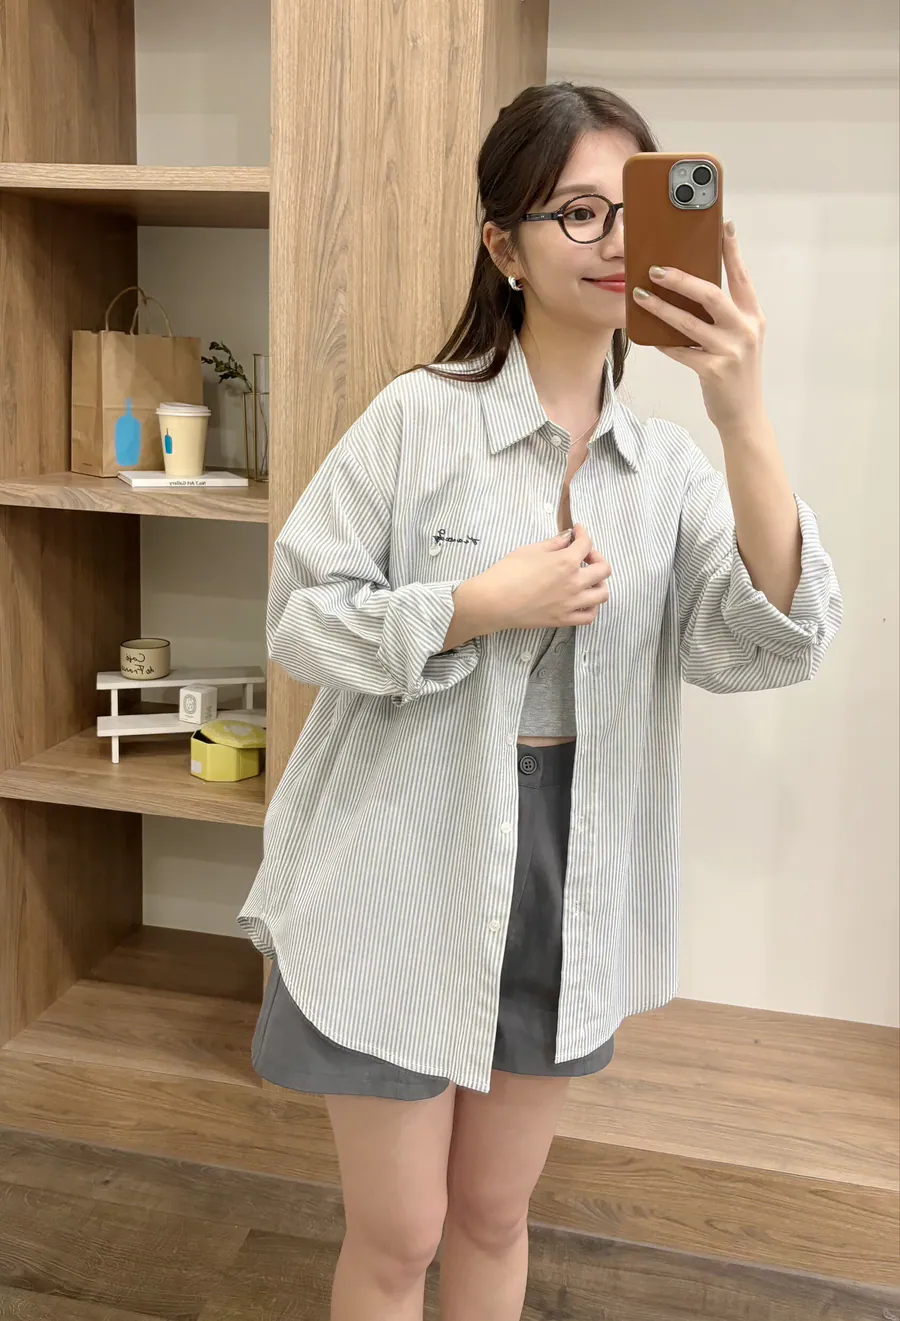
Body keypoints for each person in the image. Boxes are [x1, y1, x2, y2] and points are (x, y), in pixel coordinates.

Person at [238, 83, 842, 1321]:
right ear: (503, 246)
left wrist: (741, 411)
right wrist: (471, 605)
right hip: (403, 858)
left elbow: (770, 638)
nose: (615, 238)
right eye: (578, 211)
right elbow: (300, 616)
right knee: (400, 1234)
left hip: (575, 866)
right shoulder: (418, 420)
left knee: (495, 1213)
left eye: (634, 207)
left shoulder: (668, 468)